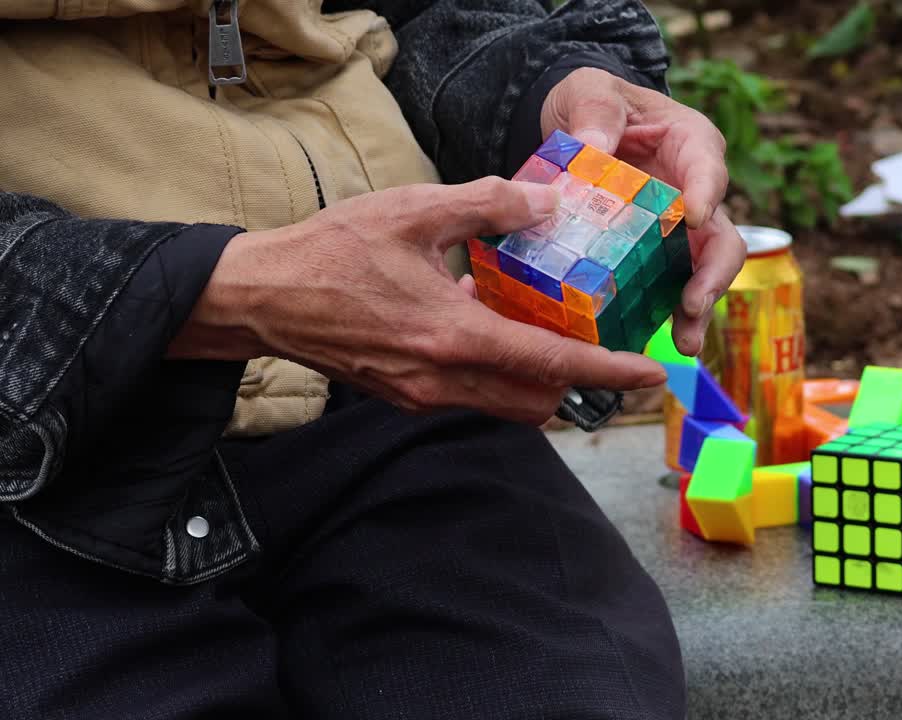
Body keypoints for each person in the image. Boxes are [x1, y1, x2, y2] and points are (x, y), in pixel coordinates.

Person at [0, 0, 745, 717]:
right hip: (42, 457)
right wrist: (206, 291)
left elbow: (416, 8)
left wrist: (545, 89)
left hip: (389, 402)